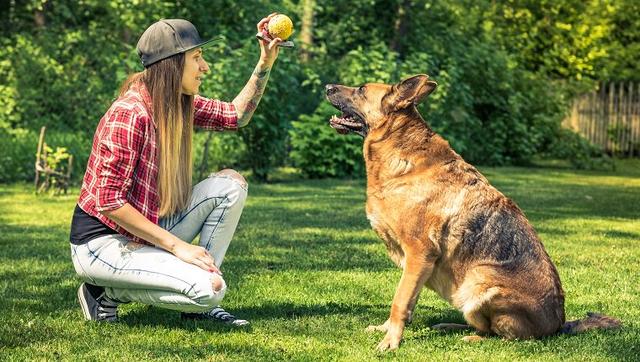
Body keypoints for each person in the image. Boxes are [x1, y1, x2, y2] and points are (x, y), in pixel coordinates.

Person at [69, 15, 283, 326]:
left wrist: (265, 61)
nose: (205, 67)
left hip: (143, 230)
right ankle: (104, 293)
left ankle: (200, 296)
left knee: (230, 185)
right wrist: (178, 246)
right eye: (197, 58)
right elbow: (109, 201)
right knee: (211, 289)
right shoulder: (129, 114)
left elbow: (235, 115)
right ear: (171, 64)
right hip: (102, 244)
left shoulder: (177, 103)